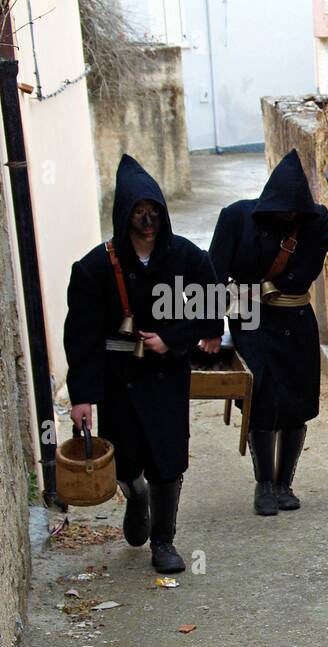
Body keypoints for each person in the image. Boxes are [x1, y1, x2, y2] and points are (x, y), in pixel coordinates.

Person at [64, 155, 222, 573]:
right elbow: (81, 337)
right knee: (126, 460)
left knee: (168, 461)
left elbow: (209, 311)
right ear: (124, 215)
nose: (147, 220)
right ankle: (136, 497)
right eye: (138, 211)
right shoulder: (95, 268)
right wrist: (81, 397)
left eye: (153, 211)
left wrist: (171, 338)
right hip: (119, 381)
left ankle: (164, 542)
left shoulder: (187, 258)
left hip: (166, 377)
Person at [208, 150, 328, 515]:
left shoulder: (315, 221)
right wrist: (210, 328)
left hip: (296, 322)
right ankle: (264, 484)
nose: (288, 217)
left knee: (296, 403)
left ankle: (285, 483)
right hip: (250, 319)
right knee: (262, 397)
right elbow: (215, 277)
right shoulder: (237, 217)